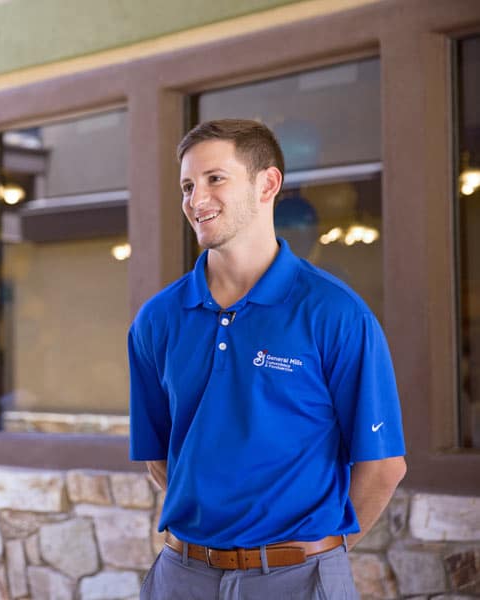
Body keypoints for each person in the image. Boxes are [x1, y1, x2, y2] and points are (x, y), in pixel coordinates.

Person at [128, 119, 406, 599]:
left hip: (297, 578)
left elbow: (382, 467)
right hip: (182, 576)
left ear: (268, 184)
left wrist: (317, 555)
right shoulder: (157, 319)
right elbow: (159, 457)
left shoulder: (334, 313)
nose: (197, 199)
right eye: (188, 186)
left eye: (216, 179)